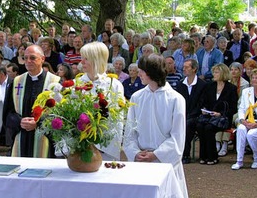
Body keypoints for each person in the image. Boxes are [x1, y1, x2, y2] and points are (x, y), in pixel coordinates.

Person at [124, 54, 188, 198]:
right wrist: (135, 152)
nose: (138, 73)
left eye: (142, 70)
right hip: (141, 161)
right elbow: (130, 132)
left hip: (164, 163)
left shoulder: (176, 99)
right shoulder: (137, 97)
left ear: (152, 72)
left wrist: (155, 155)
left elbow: (178, 136)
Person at [2, 45, 60, 156]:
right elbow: (8, 112)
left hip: (45, 139)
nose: (28, 61)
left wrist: (39, 123)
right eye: (25, 58)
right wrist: (19, 121)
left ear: (42, 59)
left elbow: (60, 114)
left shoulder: (55, 83)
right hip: (21, 137)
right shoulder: (16, 82)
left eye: (32, 58)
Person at [75, 42, 125, 160]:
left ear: (96, 60)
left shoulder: (114, 85)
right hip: (80, 144)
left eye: (86, 59)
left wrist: (101, 142)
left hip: (104, 147)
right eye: (82, 58)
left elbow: (117, 119)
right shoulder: (77, 83)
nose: (82, 62)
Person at [196, 64, 238, 165]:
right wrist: (204, 109)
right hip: (209, 116)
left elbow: (233, 107)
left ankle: (212, 156)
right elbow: (203, 101)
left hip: (223, 118)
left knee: (209, 128)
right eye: (214, 72)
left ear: (223, 73)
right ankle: (203, 156)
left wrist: (220, 113)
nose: (214, 74)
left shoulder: (231, 88)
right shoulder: (209, 86)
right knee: (200, 126)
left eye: (216, 72)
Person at [175, 59, 206, 164]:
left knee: (187, 125)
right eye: (184, 67)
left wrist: (190, 115)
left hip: (197, 116)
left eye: (187, 67)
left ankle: (186, 154)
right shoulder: (180, 85)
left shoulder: (202, 85)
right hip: (183, 114)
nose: (184, 69)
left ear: (194, 69)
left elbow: (201, 104)